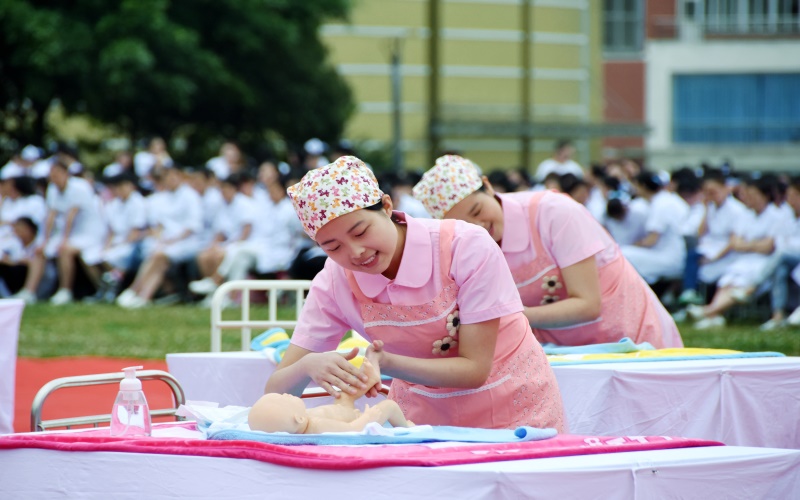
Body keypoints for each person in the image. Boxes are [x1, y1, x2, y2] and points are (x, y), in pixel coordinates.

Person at [266, 156, 565, 431]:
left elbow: (474, 369)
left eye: (360, 232)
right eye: (333, 247)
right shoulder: (334, 281)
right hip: (418, 423)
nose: (355, 252)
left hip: (514, 409)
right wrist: (306, 366)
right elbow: (275, 394)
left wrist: (388, 363)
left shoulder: (465, 247)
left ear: (386, 206)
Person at [413, 155, 682, 349]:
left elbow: (588, 304)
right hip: (566, 354)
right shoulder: (464, 243)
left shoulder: (553, 212)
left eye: (477, 211)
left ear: (489, 185)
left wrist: (503, 316)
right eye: (465, 224)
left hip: (629, 339)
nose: (479, 226)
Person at [249, 359, 413, 433]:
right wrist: (368, 419)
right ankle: (405, 427)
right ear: (297, 418)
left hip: (341, 409)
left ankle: (367, 379)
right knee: (389, 406)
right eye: (283, 398)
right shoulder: (318, 426)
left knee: (345, 396)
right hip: (356, 419)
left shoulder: (305, 420)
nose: (285, 394)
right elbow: (352, 430)